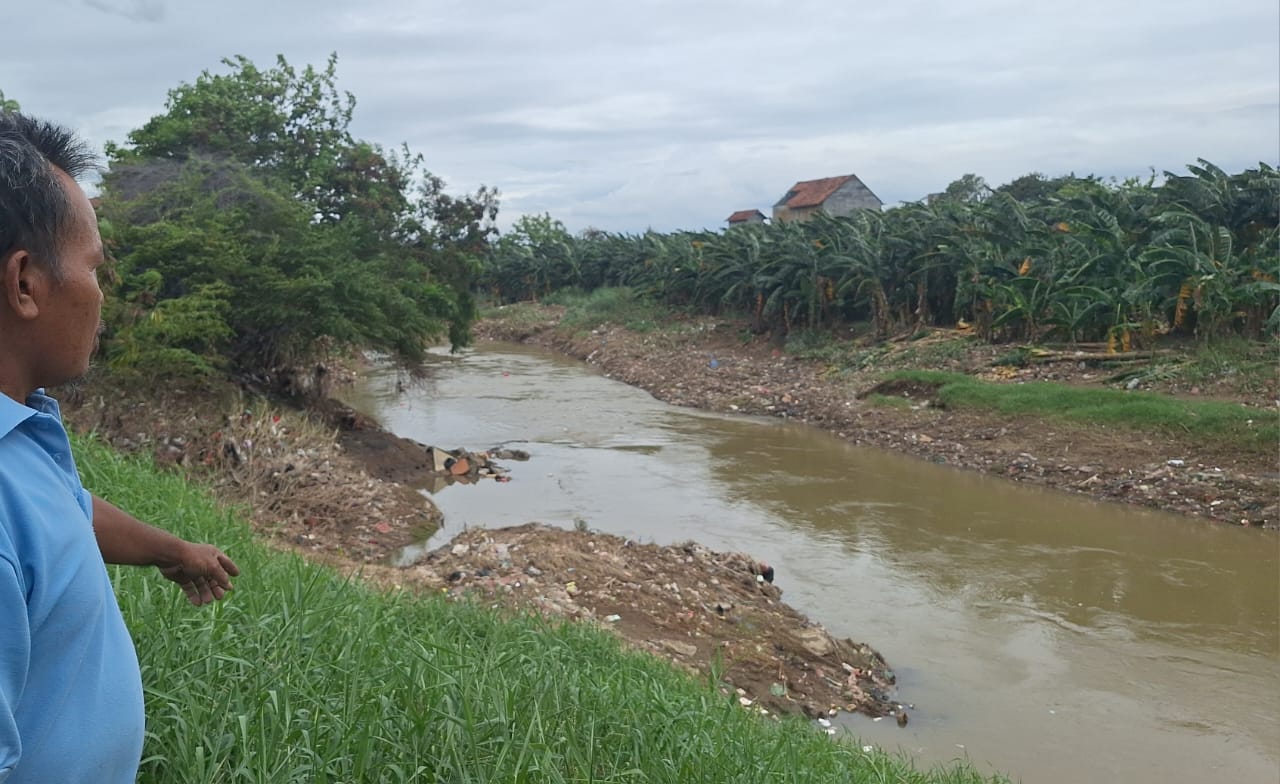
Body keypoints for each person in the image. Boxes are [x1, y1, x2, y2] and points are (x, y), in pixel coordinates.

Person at [0, 112, 240, 782]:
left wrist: (173, 550)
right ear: (25, 283)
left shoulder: (18, 437)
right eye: (93, 267)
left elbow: (62, 512)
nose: (101, 296)